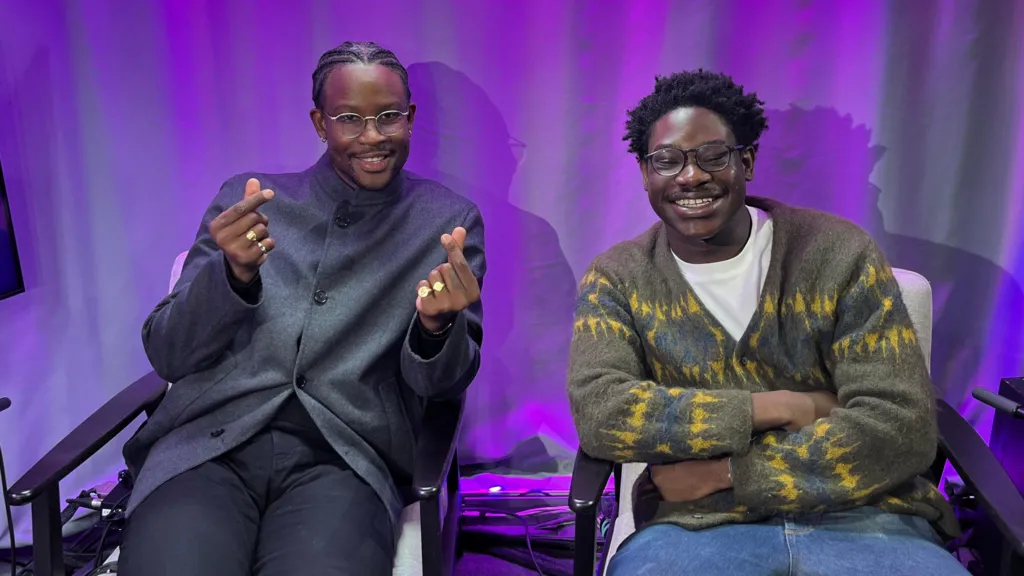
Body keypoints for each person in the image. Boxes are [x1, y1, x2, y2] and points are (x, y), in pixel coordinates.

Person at [567, 70, 967, 575]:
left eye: (713, 155)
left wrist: (726, 473)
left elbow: (900, 427)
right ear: (646, 174)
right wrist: (782, 406)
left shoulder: (838, 253)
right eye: (667, 160)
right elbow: (604, 415)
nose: (690, 176)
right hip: (696, 529)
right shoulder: (618, 278)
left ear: (747, 161)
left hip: (866, 515)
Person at [118, 41, 486, 576]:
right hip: (207, 448)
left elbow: (444, 384)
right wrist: (231, 276)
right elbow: (169, 353)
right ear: (320, 123)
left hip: (346, 458)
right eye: (350, 119)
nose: (373, 136)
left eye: (388, 116)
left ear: (410, 117)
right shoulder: (248, 203)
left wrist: (436, 328)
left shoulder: (447, 223)